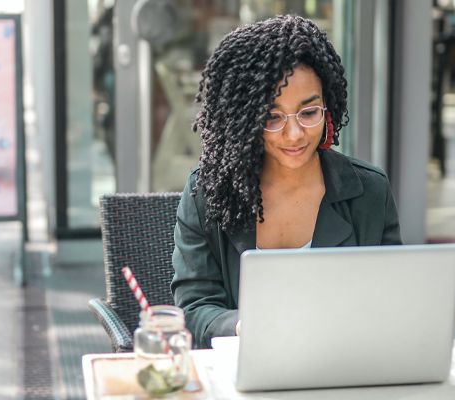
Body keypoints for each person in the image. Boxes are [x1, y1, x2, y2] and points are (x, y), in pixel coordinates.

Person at [171, 15, 402, 349]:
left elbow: (392, 302)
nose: (294, 135)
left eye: (309, 113)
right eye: (272, 117)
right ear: (244, 120)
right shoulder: (206, 193)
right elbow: (194, 309)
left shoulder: (369, 191)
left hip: (345, 366)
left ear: (329, 108)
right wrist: (242, 326)